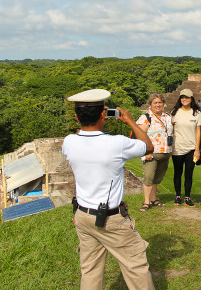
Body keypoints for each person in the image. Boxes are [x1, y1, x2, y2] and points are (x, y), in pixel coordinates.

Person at [62, 89, 155, 290]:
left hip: (82, 215)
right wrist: (130, 121)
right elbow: (148, 146)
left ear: (77, 117)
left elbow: (83, 138)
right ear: (103, 114)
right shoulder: (116, 143)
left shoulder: (69, 142)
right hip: (111, 219)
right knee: (135, 266)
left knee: (90, 270)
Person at [136, 94, 172, 212]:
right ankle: (146, 202)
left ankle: (154, 199)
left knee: (157, 178)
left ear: (163, 103)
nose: (158, 105)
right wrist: (145, 151)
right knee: (149, 177)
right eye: (155, 103)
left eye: (160, 102)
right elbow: (140, 135)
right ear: (150, 104)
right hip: (150, 153)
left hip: (165, 152)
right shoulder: (146, 117)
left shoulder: (167, 117)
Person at [170, 89, 201, 207]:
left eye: (187, 97)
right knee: (177, 173)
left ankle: (187, 198)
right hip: (177, 148)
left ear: (191, 99)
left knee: (189, 174)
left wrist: (197, 149)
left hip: (191, 149)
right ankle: (178, 196)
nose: (184, 99)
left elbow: (198, 131)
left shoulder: (196, 113)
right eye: (182, 97)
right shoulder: (174, 112)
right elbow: (170, 130)